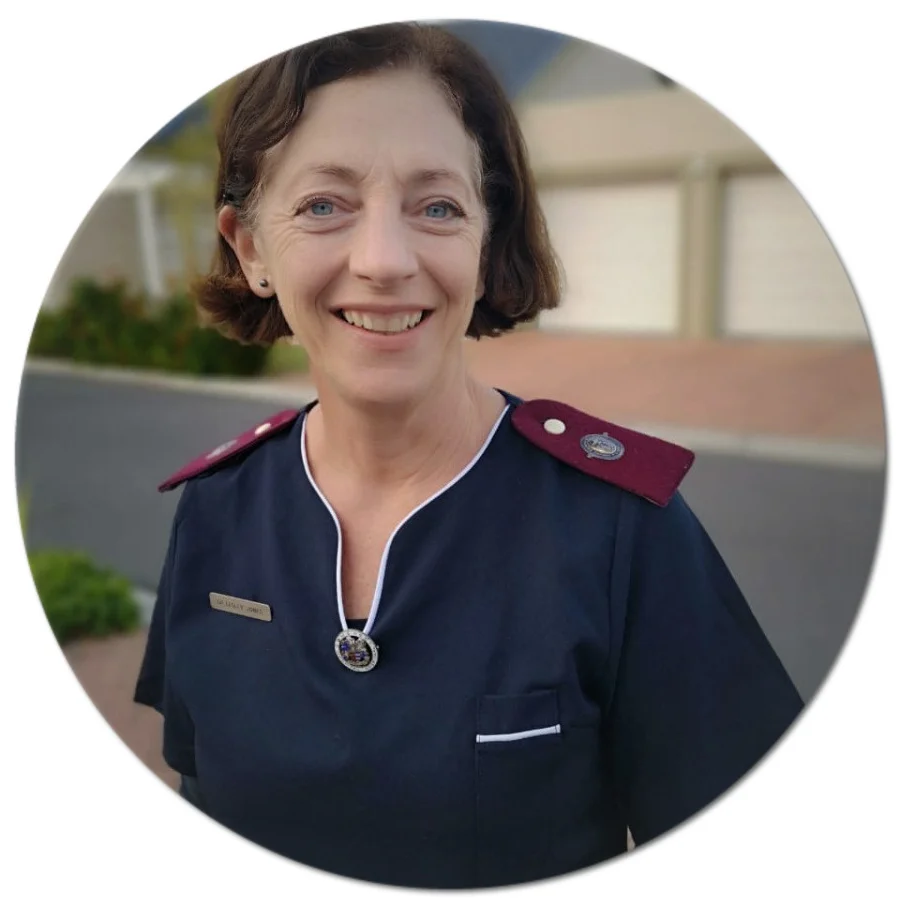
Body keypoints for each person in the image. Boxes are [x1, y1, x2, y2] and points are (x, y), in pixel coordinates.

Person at [134, 22, 803, 889]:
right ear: (251, 246)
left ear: (486, 245)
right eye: (323, 205)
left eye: (437, 207)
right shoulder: (215, 510)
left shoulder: (620, 531)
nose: (384, 260)